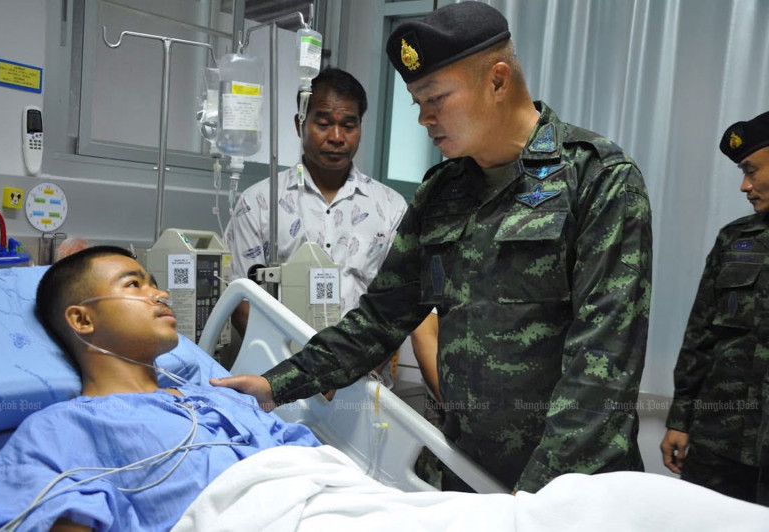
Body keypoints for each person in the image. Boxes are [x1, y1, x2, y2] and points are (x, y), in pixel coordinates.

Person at [213, 1, 653, 495]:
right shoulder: (442, 194)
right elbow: (379, 320)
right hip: (468, 473)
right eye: (417, 102)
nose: (424, 118)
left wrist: (532, 503)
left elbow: (602, 368)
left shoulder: (598, 180)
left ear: (498, 81)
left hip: (570, 489)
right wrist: (277, 383)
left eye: (435, 98)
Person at [0, 246, 320, 531]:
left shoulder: (223, 398)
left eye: (152, 283)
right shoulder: (62, 429)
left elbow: (317, 463)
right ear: (82, 319)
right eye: (134, 285)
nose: (160, 294)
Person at [224, 66, 437, 388]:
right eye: (323, 124)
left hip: (363, 386)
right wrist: (291, 378)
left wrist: (350, 376)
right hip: (277, 378)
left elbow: (396, 306)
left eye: (348, 125)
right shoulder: (259, 203)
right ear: (300, 124)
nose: (337, 137)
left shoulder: (390, 208)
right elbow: (241, 301)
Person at [661, 111, 769, 505]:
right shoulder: (736, 240)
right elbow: (700, 336)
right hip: (718, 443)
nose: (744, 185)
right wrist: (680, 420)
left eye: (751, 169)